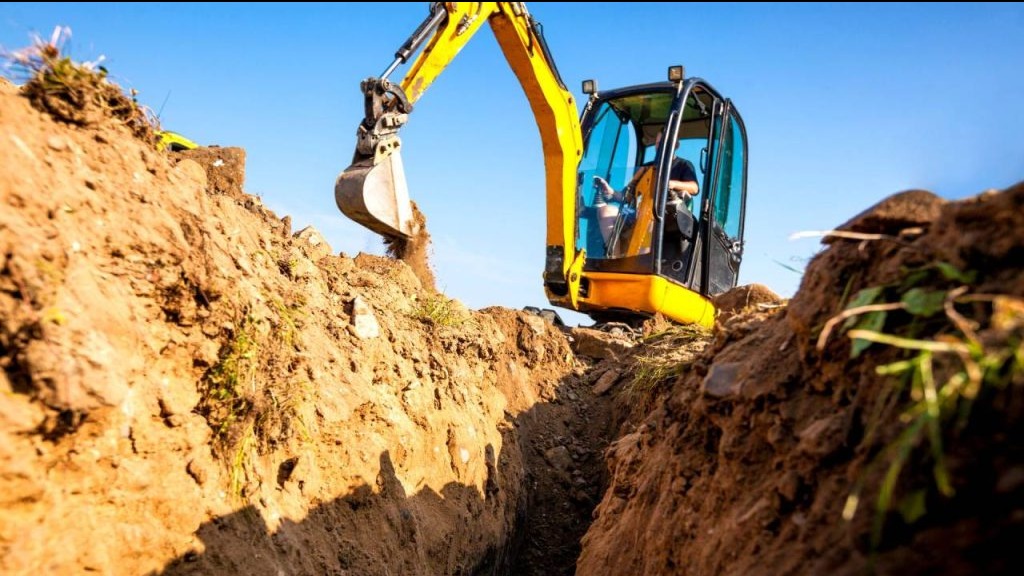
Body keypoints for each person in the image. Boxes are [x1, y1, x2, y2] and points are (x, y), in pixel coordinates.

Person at [592, 131, 698, 249]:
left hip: (664, 216)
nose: (660, 147)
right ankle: (614, 258)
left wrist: (670, 183)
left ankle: (642, 264)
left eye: (665, 143)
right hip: (638, 213)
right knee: (605, 211)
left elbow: (694, 188)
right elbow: (627, 195)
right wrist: (610, 191)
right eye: (658, 143)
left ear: (676, 145)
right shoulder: (646, 167)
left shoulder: (683, 165)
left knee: (650, 221)